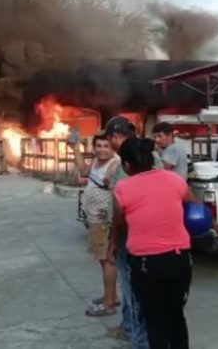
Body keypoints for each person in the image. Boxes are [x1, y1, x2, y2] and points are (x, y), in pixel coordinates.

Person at [112, 136, 194, 348]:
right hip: (179, 260)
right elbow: (196, 209)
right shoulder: (174, 179)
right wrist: (217, 226)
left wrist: (112, 243)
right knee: (176, 316)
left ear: (127, 165)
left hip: (146, 264)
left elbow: (119, 223)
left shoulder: (123, 188)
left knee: (154, 321)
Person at [105, 116, 156, 348]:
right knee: (135, 289)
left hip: (130, 235)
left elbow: (124, 208)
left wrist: (114, 240)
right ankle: (130, 326)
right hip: (144, 233)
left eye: (109, 139)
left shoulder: (130, 160)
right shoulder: (143, 156)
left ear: (115, 137)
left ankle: (134, 332)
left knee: (131, 288)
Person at [152, 122, 218, 241]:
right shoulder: (178, 147)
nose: (157, 140)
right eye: (155, 137)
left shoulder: (171, 149)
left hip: (174, 191)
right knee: (199, 209)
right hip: (182, 187)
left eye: (159, 136)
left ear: (169, 135)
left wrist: (153, 154)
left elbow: (163, 169)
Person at [70, 131, 120, 317]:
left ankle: (109, 304)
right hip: (93, 219)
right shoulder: (97, 161)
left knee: (107, 260)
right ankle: (111, 295)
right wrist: (75, 149)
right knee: (102, 259)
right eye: (98, 146)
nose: (101, 150)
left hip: (103, 219)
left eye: (106, 146)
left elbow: (112, 188)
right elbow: (84, 172)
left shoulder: (115, 163)